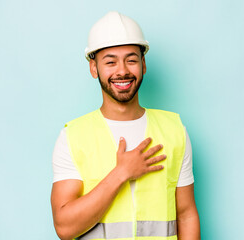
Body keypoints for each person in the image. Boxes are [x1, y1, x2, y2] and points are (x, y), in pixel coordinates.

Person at [51, 11, 200, 240]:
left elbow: (186, 214)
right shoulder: (73, 137)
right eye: (110, 62)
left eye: (131, 60)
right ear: (94, 68)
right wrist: (121, 173)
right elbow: (65, 228)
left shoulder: (174, 131)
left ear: (143, 64)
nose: (122, 71)